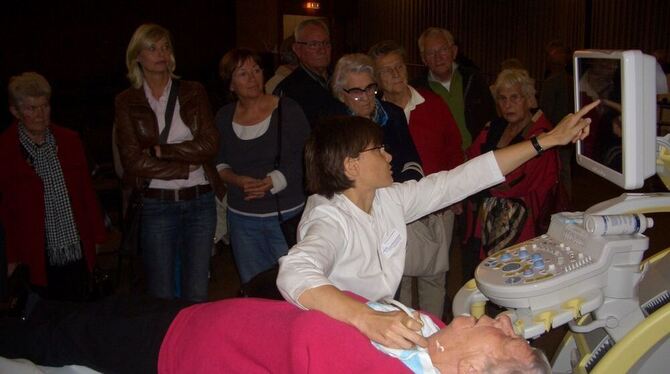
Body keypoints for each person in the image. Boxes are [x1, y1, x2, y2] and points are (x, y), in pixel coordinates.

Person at [277, 98, 598, 349]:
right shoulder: (327, 217)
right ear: (351, 166)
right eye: (379, 150)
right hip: (341, 330)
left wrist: (548, 140)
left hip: (377, 321)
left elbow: (463, 179)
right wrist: (368, 318)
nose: (390, 157)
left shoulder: (387, 198)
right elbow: (294, 271)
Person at [0, 295, 550, 373]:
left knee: (67, 341)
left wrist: (362, 317)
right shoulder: (428, 329)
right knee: (89, 314)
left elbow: (311, 328)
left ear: (473, 370)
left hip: (190, 351)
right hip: (206, 315)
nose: (505, 320)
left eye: (506, 337)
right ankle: (31, 308)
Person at [115, 24, 223, 302]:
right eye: (152, 48)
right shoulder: (127, 100)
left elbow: (210, 145)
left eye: (165, 47)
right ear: (137, 56)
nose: (160, 53)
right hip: (157, 204)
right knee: (161, 292)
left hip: (199, 200)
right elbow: (132, 161)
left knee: (197, 290)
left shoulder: (192, 91)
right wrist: (181, 167)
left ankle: (193, 345)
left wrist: (161, 152)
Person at [368, 40, 464, 319]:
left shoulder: (432, 103)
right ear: (377, 79)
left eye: (399, 67)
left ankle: (432, 330)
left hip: (436, 204)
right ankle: (406, 335)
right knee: (398, 277)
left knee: (434, 276)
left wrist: (455, 194)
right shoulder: (375, 115)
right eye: (387, 71)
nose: (396, 74)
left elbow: (453, 148)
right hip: (392, 207)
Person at [0, 72, 107, 301]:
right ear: (15, 112)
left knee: (79, 309)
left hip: (74, 243)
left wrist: (97, 236)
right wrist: (11, 257)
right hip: (35, 249)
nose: (40, 114)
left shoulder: (69, 141)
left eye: (44, 106)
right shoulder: (6, 150)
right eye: (31, 108)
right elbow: (6, 211)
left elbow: (86, 193)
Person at [215, 48, 310, 286]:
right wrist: (237, 180)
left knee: (293, 286)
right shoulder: (224, 117)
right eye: (243, 73)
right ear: (230, 84)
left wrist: (273, 181)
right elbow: (219, 161)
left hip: (285, 215)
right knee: (254, 286)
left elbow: (305, 155)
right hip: (243, 219)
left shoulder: (288, 109)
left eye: (256, 70)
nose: (252, 78)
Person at [463, 69, 560, 276]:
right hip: (483, 221)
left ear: (528, 98)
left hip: (523, 226)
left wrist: (477, 179)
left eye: (514, 97)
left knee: (513, 277)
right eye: (502, 98)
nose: (507, 104)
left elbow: (520, 182)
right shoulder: (494, 127)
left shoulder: (542, 136)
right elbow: (470, 157)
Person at [330, 53, 424, 183]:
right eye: (356, 92)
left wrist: (397, 191)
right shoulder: (334, 127)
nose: (366, 97)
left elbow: (412, 161)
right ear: (341, 95)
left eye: (369, 88)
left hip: (398, 192)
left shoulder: (393, 114)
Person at [412, 27, 497, 149]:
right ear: (423, 58)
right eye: (431, 53)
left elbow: (492, 120)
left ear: (454, 51)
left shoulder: (474, 80)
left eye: (443, 50)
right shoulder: (416, 91)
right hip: (442, 162)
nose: (438, 57)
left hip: (478, 157)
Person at [273, 19, 340, 127]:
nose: (322, 50)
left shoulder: (341, 80)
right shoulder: (288, 90)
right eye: (314, 44)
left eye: (326, 43)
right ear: (297, 49)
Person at [540, 40, 575, 200]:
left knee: (558, 170)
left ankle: (560, 201)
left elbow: (545, 110)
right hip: (566, 130)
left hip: (555, 132)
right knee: (563, 169)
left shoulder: (553, 82)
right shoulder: (570, 80)